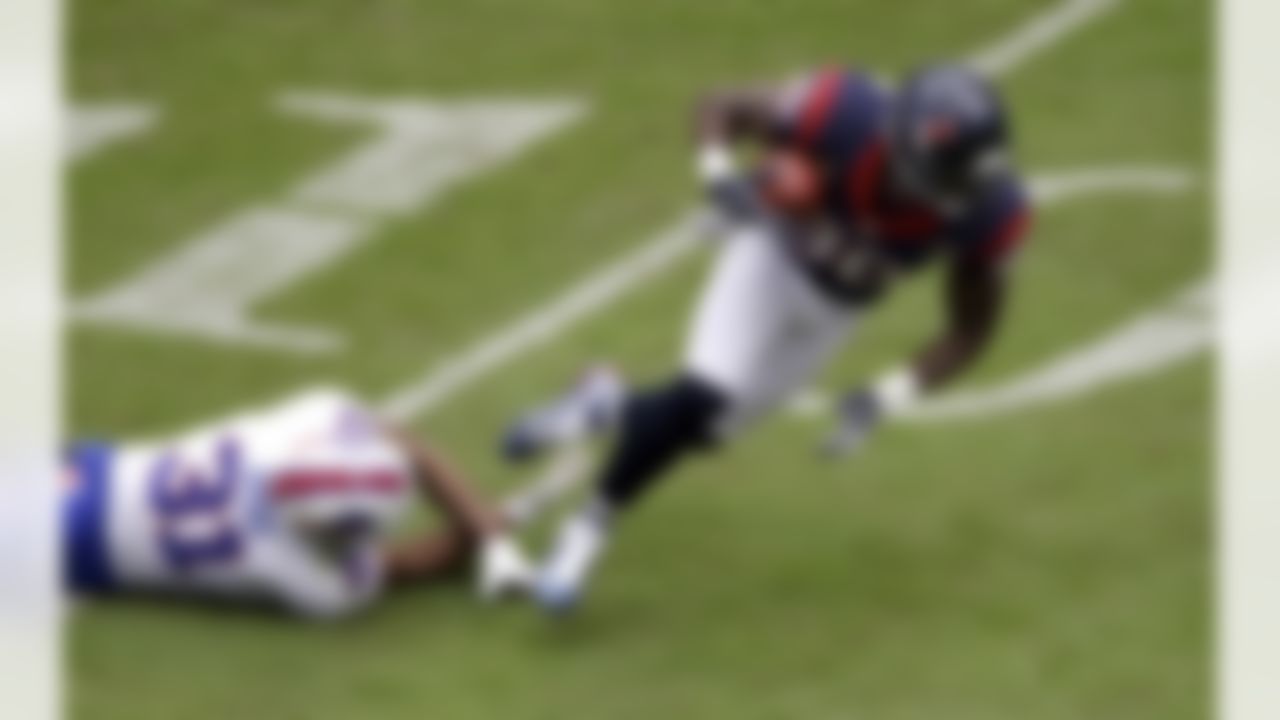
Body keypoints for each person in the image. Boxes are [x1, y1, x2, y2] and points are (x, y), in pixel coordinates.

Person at [502, 62, 1033, 614]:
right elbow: (719, 104)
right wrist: (718, 175)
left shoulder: (989, 209)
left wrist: (887, 394)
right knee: (708, 389)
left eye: (960, 179)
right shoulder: (845, 112)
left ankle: (606, 403)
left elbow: (971, 330)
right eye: (941, 177)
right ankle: (589, 528)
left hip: (836, 311)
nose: (949, 194)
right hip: (773, 253)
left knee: (704, 433)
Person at [63, 386, 553, 619]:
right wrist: (488, 528)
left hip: (91, 468)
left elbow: (405, 448)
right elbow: (411, 562)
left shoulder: (306, 420)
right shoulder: (306, 581)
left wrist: (486, 531)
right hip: (79, 545)